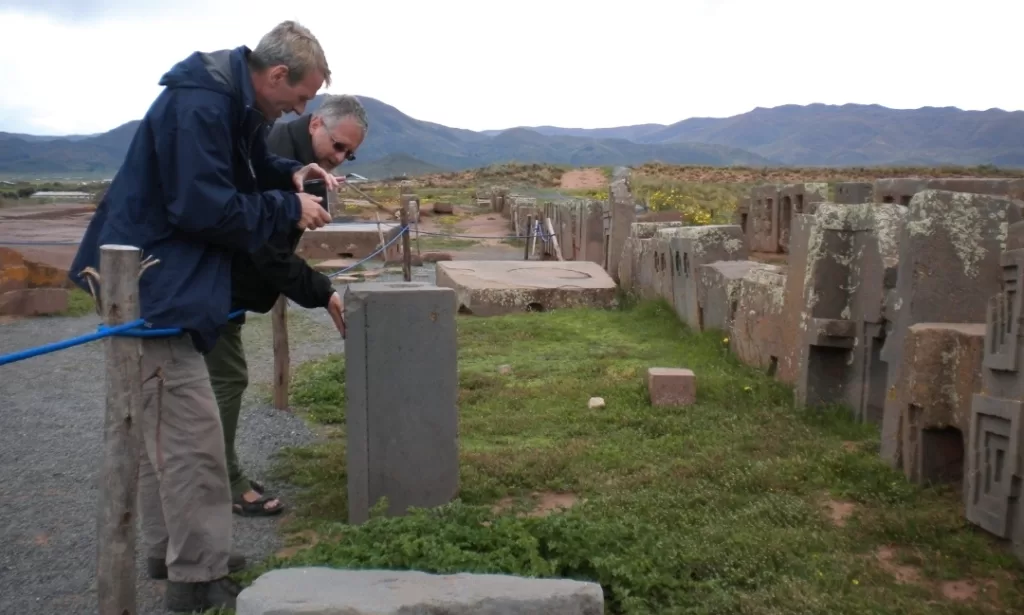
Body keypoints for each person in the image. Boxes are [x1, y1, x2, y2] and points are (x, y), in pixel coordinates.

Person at [68, 21, 336, 613]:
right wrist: (286, 204)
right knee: (193, 440)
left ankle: (175, 556)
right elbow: (202, 205)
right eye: (302, 95)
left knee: (164, 435)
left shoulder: (224, 101)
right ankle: (197, 579)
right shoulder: (203, 105)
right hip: (157, 285)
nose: (303, 106)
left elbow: (236, 167)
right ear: (274, 76)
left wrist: (281, 173)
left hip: (158, 280)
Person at [205, 94, 368, 518]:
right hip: (211, 283)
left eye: (349, 154)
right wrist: (323, 291)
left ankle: (220, 473)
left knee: (217, 381)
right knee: (224, 380)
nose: (341, 157)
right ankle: (223, 482)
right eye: (338, 146)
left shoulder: (298, 161)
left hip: (225, 285)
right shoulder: (276, 153)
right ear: (315, 123)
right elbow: (264, 249)